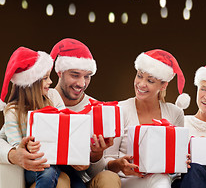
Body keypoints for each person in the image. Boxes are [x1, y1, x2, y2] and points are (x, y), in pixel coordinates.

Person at [104, 49, 187, 188]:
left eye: (150, 80)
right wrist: (119, 164)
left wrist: (182, 160)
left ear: (163, 85)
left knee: (162, 181)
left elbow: (177, 169)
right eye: (139, 76)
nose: (141, 84)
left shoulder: (175, 113)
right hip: (124, 180)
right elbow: (107, 161)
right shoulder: (119, 110)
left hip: (159, 180)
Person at [49, 38, 121, 188]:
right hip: (50, 177)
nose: (81, 83)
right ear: (59, 72)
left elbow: (96, 172)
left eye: (87, 76)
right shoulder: (41, 100)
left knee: (109, 178)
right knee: (61, 182)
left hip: (82, 180)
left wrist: (96, 156)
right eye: (75, 75)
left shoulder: (96, 110)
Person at [1, 47, 70, 187]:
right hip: (35, 164)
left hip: (59, 159)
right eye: (45, 78)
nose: (51, 82)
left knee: (77, 182)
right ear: (30, 84)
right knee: (47, 171)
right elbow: (16, 146)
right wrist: (27, 147)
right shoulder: (13, 111)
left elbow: (66, 123)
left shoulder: (52, 96)